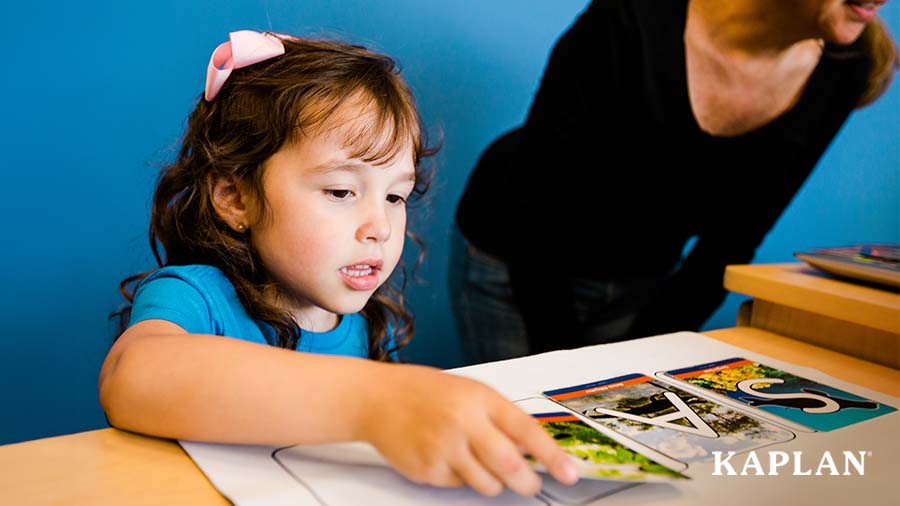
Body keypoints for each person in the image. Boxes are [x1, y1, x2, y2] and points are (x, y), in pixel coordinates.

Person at [99, 31, 577, 497]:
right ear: (234, 197)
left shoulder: (365, 321)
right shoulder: (193, 296)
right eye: (342, 191)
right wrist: (375, 401)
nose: (381, 227)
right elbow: (132, 374)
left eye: (395, 196)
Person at [451, 0, 898, 364]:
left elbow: (731, 243)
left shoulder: (847, 65)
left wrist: (642, 363)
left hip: (641, 282)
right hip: (513, 262)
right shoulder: (626, 19)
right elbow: (536, 205)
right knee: (532, 440)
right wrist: (568, 369)